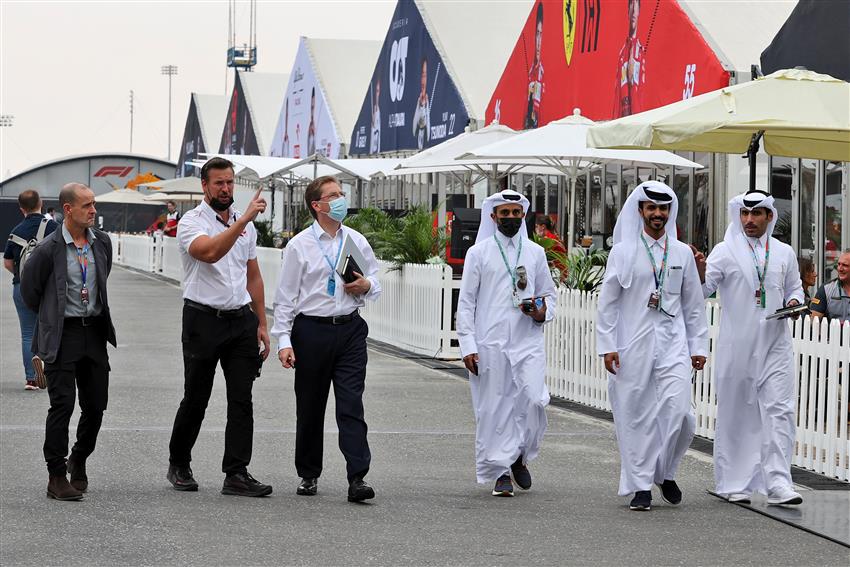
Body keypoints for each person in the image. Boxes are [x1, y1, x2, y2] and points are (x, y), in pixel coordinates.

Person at [596, 181, 708, 511]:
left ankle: (663, 470)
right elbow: (608, 303)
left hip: (673, 346)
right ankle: (640, 485)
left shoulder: (683, 253)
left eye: (663, 208)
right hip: (632, 345)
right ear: (641, 211)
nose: (657, 214)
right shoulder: (624, 251)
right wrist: (608, 345)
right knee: (634, 417)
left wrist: (698, 345)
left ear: (670, 212)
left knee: (680, 414)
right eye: (651, 208)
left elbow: (693, 304)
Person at [166, 157, 272, 497]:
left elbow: (252, 275)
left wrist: (261, 323)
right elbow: (210, 253)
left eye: (229, 183)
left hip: (240, 320)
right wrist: (243, 220)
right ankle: (179, 462)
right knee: (196, 397)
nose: (226, 189)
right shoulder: (191, 223)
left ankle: (236, 472)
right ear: (205, 186)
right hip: (202, 319)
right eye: (219, 183)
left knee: (242, 398)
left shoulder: (246, 227)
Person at [272, 175, 381, 502]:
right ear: (316, 205)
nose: (340, 199)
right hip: (311, 331)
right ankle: (308, 473)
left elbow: (375, 279)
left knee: (351, 404)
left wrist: (367, 286)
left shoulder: (357, 241)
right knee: (310, 405)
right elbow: (285, 298)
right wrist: (284, 340)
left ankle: (357, 476)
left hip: (349, 329)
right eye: (332, 195)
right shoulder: (299, 245)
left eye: (341, 194)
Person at [696, 189, 804, 506]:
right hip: (737, 345)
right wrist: (700, 270)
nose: (749, 220)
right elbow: (702, 290)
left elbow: (793, 287)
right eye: (744, 213)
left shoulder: (784, 252)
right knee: (735, 412)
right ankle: (733, 482)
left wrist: (795, 301)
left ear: (769, 216)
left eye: (756, 214)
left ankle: (779, 483)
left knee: (780, 411)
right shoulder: (724, 251)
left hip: (776, 344)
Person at [457, 190, 557, 497]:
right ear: (493, 217)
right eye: (505, 213)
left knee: (533, 400)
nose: (511, 218)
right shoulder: (480, 252)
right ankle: (500, 470)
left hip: (527, 339)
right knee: (495, 406)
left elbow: (549, 296)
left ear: (523, 216)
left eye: (516, 213)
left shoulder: (536, 253)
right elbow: (466, 303)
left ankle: (519, 455)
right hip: (490, 341)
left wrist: (542, 312)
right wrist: (468, 346)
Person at [21, 183, 117, 501]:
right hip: (64, 334)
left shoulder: (101, 243)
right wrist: (52, 316)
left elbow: (103, 277)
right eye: (87, 205)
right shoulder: (48, 249)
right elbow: (30, 291)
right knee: (62, 404)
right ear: (68, 209)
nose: (93, 210)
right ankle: (56, 475)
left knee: (96, 406)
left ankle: (79, 457)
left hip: (94, 333)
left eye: (94, 204)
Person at [4, 189, 58, 390]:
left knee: (27, 332)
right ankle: (49, 369)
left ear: (21, 208)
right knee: (51, 329)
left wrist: (23, 278)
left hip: (21, 287)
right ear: (41, 203)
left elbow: (8, 263)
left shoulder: (15, 231)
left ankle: (31, 379)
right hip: (48, 288)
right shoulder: (54, 227)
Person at [613, 0, 645, 117]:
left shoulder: (640, 50)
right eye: (631, 5)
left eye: (636, 5)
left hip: (638, 118)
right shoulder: (623, 52)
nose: (633, 11)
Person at [810, 249, 850, 323]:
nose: (840, 269)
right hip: (832, 334)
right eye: (838, 264)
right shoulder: (826, 289)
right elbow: (813, 321)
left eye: (845, 265)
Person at [525, 2, 544, 129]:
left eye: (541, 34)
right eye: (537, 33)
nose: (539, 41)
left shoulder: (543, 73)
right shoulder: (531, 72)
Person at [535, 215, 567, 282]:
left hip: (556, 274)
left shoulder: (548, 240)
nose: (536, 230)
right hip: (562, 272)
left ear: (543, 227)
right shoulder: (554, 237)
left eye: (537, 226)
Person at [412, 57, 430, 150]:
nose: (423, 79)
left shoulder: (428, 100)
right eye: (422, 75)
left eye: (425, 75)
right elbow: (414, 128)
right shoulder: (417, 101)